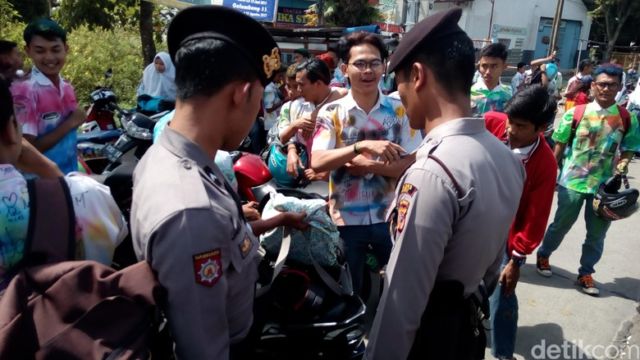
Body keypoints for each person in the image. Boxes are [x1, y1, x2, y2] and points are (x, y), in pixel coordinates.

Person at [130, 6, 307, 359]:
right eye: (258, 100)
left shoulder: (170, 155)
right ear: (241, 94)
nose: (257, 113)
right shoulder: (191, 209)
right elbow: (203, 349)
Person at [365, 8, 525, 360]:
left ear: (418, 76)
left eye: (399, 82)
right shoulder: (506, 158)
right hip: (464, 331)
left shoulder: (432, 173)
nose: (399, 97)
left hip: (428, 338)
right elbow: (491, 267)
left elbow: (401, 304)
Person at [311, 31, 422, 296]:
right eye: (360, 64)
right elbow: (318, 160)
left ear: (384, 66)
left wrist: (368, 165)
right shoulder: (332, 113)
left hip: (392, 214)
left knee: (399, 286)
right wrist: (360, 147)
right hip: (346, 218)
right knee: (352, 289)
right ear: (344, 69)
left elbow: (412, 161)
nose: (368, 70)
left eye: (374, 63)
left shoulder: (400, 109)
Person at [0, 77, 127, 290]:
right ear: (12, 129)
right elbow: (97, 261)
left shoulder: (63, 89)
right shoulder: (80, 196)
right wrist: (47, 169)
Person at [537, 64, 640, 296]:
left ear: (619, 87)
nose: (606, 88)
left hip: (603, 189)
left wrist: (624, 161)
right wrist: (551, 174)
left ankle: (586, 272)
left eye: (612, 84)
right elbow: (560, 146)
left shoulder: (626, 117)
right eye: (601, 83)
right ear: (593, 85)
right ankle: (544, 255)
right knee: (561, 225)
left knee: (596, 234)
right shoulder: (576, 113)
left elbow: (630, 146)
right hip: (571, 182)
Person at [483, 85, 558, 360]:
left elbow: (536, 217)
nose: (511, 131)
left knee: (503, 293)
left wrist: (516, 259)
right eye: (510, 122)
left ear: (541, 128)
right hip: (475, 221)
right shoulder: (491, 123)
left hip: (509, 235)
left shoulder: (545, 164)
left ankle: (503, 353)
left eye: (521, 126)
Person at [11, 19, 85, 174]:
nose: (49, 57)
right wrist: (71, 123)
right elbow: (23, 148)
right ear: (28, 51)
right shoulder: (25, 90)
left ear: (66, 49)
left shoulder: (66, 86)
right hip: (40, 184)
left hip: (68, 177)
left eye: (55, 49)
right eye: (40, 51)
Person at [277, 59, 345, 182]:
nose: (298, 90)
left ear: (318, 83)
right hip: (310, 177)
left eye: (301, 85)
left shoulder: (343, 104)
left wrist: (327, 171)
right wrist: (292, 149)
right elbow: (285, 137)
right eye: (292, 85)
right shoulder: (297, 106)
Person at [471, 42, 512, 116]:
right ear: (479, 66)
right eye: (484, 66)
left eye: (494, 66)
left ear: (504, 66)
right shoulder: (469, 92)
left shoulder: (509, 94)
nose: (488, 72)